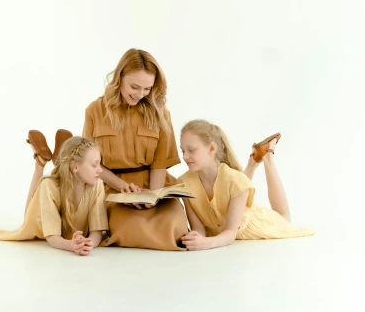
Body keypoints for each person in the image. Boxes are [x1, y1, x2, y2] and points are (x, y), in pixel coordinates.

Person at [81, 48, 188, 250]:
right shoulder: (95, 110)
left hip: (153, 186)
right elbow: (91, 162)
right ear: (119, 77)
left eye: (147, 89)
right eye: (135, 87)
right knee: (131, 230)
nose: (140, 94)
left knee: (175, 229)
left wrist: (153, 197)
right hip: (113, 189)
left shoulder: (161, 112)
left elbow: (160, 162)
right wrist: (123, 188)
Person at [177, 119, 315, 251]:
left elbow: (230, 233)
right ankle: (253, 162)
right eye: (183, 151)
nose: (185, 156)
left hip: (255, 226)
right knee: (237, 183)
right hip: (224, 228)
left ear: (212, 148)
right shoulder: (184, 183)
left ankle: (268, 157)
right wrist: (195, 239)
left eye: (191, 150)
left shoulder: (235, 180)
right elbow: (198, 229)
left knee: (284, 218)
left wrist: (207, 243)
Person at [0, 137, 108, 255]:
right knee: (31, 211)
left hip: (68, 175)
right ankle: (40, 163)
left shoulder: (97, 185)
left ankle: (58, 158)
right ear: (75, 166)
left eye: (99, 164)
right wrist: (70, 245)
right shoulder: (49, 186)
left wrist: (89, 244)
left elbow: (97, 233)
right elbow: (52, 237)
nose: (100, 170)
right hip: (40, 220)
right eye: (94, 165)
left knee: (50, 185)